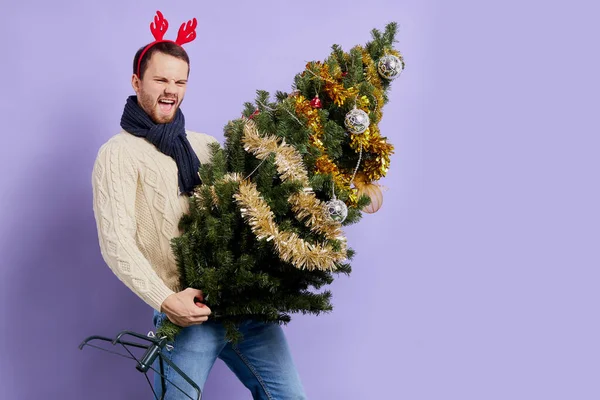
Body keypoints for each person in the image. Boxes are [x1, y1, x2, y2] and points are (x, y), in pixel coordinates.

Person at [91, 11, 306, 400]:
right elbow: (116, 242)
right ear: (137, 82)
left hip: (246, 310)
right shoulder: (118, 154)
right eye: (160, 79)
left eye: (179, 81)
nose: (171, 89)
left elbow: (256, 199)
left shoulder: (205, 145)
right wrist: (166, 300)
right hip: (185, 314)